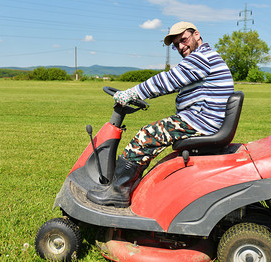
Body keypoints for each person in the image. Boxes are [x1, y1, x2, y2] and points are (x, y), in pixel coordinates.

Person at [87, 21, 234, 208]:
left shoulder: (201, 57)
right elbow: (175, 83)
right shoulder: (204, 58)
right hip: (204, 119)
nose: (181, 47)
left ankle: (118, 192)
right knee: (151, 134)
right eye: (176, 45)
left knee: (145, 137)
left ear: (196, 34)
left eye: (183, 40)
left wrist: (131, 93)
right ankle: (128, 187)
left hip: (201, 122)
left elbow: (167, 81)